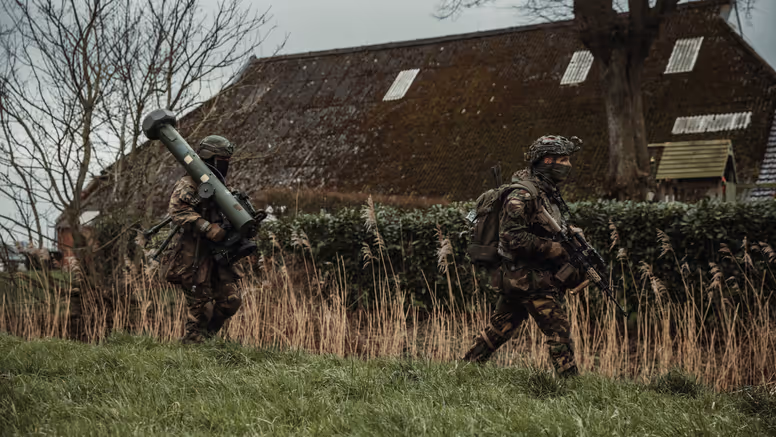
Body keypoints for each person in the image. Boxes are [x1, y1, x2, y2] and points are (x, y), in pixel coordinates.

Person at [462, 135, 586, 377]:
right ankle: (571, 385)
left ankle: (465, 369)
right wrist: (557, 249)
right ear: (547, 161)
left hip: (521, 277)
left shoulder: (546, 192)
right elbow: (512, 238)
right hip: (531, 278)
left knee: (500, 328)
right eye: (563, 159)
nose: (568, 165)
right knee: (558, 332)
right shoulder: (523, 195)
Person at [164, 135, 244, 344]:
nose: (225, 165)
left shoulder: (222, 186)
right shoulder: (189, 183)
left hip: (221, 253)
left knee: (231, 301)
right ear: (209, 158)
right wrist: (207, 227)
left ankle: (207, 338)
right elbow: (177, 211)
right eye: (221, 159)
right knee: (200, 305)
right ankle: (194, 345)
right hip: (195, 253)